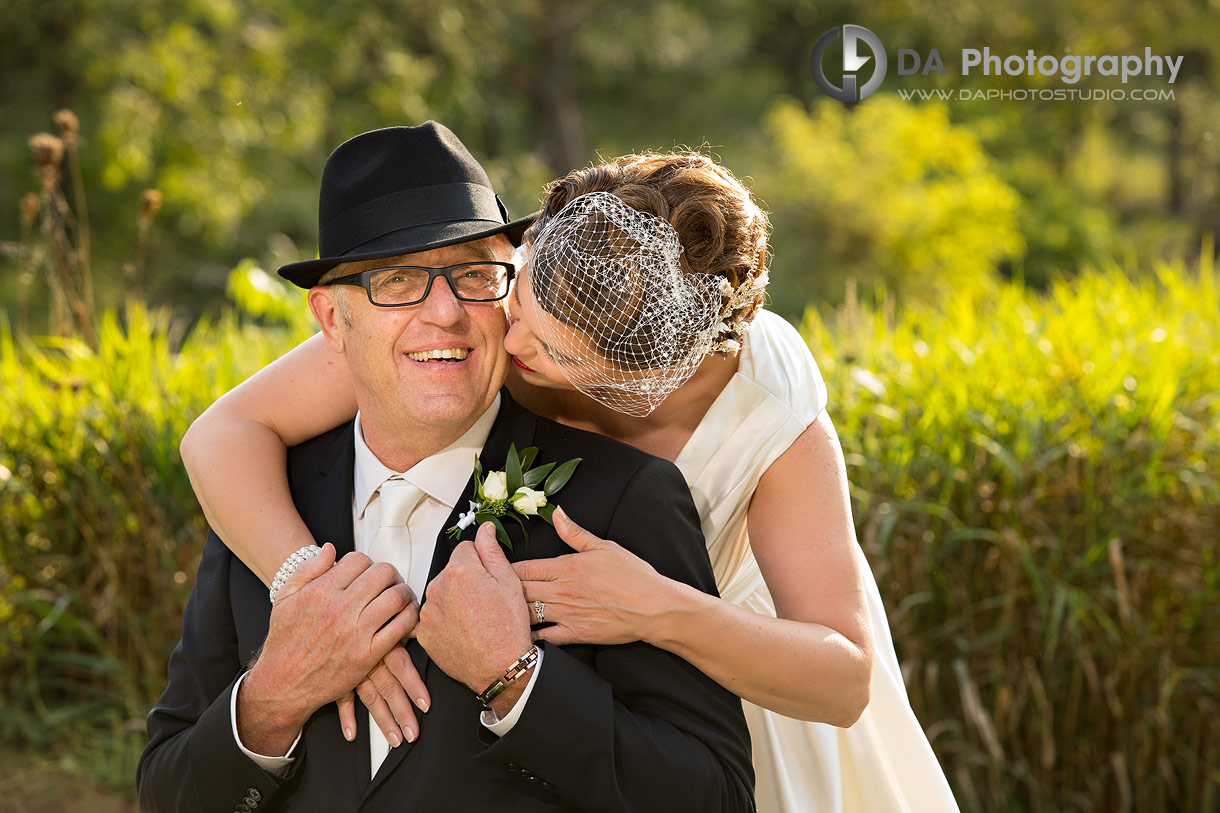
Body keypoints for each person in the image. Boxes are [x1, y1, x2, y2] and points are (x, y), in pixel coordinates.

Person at [181, 146, 959, 812]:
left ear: (636, 379)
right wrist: (315, 593)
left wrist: (658, 608)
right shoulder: (534, 289)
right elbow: (222, 435)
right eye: (516, 294)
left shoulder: (768, 419)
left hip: (744, 692)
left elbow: (843, 680)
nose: (496, 334)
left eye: (547, 350)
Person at [137, 122, 756, 812]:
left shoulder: (621, 500)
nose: (445, 312)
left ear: (511, 289)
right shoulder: (263, 498)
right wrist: (270, 701)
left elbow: (716, 797)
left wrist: (516, 679)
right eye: (397, 280)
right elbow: (166, 793)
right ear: (331, 321)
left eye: (472, 273)